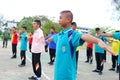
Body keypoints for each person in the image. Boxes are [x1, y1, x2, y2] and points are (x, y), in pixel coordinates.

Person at [46, 10, 116, 80]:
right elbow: (54, 37)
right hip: (57, 75)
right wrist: (49, 39)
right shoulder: (60, 34)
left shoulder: (71, 34)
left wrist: (98, 41)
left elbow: (83, 36)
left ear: (68, 19)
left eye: (61, 18)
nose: (59, 20)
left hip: (67, 76)